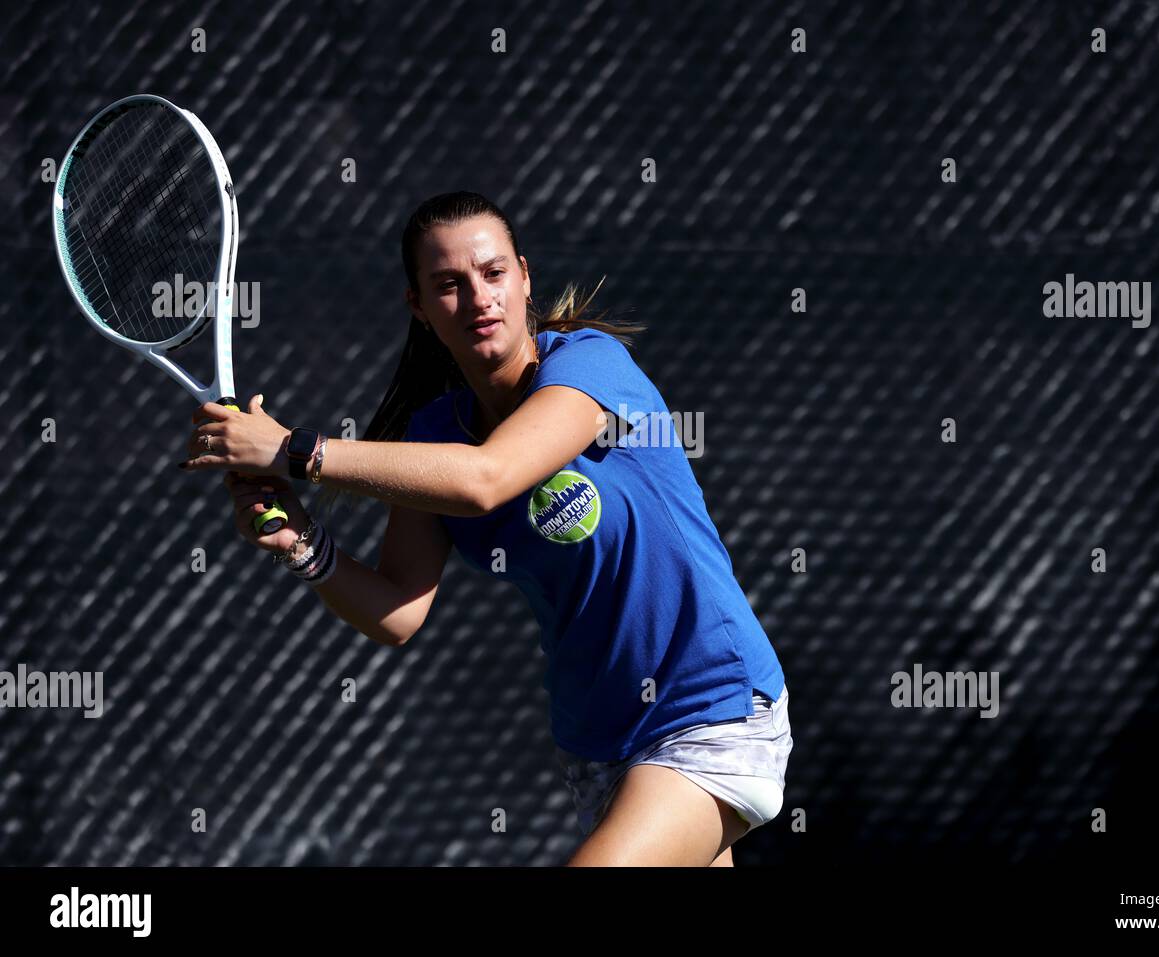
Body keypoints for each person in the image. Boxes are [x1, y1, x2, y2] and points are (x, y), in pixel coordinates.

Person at [180, 191, 792, 866]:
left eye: (493, 273)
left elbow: (488, 478)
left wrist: (295, 451)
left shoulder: (590, 368)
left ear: (525, 277)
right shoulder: (432, 438)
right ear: (419, 306)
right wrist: (302, 542)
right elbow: (398, 610)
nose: (478, 298)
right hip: (602, 748)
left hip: (711, 708)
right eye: (449, 284)